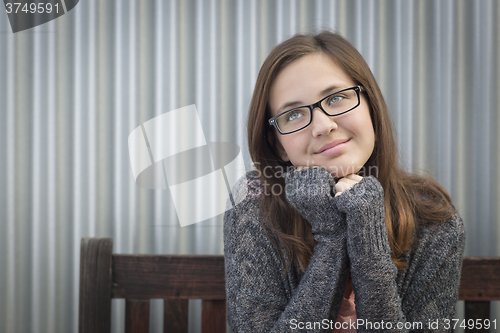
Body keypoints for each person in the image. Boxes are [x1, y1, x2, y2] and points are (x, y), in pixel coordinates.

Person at [223, 31, 465, 332]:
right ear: (278, 145)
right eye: (294, 114)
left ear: (370, 106)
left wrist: (368, 238)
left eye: (336, 98)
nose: (324, 126)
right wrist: (331, 236)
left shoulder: (435, 223)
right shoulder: (253, 206)